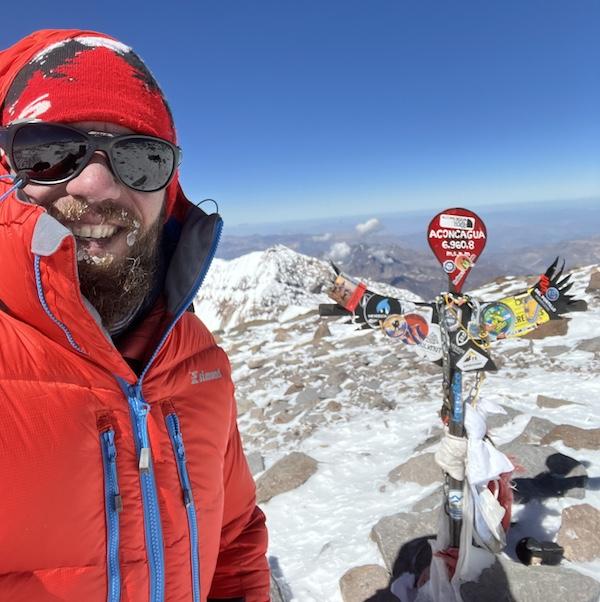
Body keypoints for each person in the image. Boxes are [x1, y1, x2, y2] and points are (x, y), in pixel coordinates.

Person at [0, 29, 270, 602]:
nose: (95, 184)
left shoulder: (199, 363)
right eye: (47, 151)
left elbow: (234, 538)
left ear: (168, 190)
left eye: (141, 158)